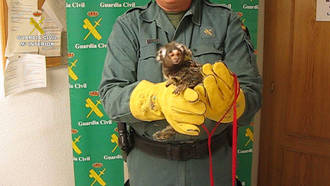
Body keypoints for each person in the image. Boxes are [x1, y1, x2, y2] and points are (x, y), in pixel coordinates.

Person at [99, 0, 262, 185]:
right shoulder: (129, 25)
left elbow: (252, 92)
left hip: (213, 167)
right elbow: (111, 95)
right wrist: (157, 100)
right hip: (150, 169)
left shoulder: (225, 21)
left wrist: (234, 103)